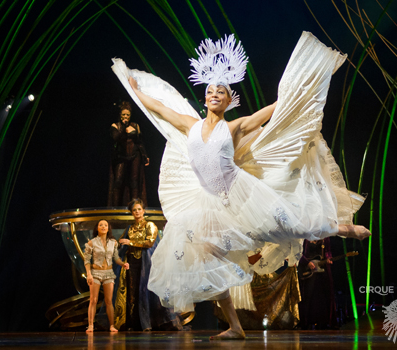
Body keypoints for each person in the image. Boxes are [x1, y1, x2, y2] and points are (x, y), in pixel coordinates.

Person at [111, 32, 371, 339]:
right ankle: (235, 326)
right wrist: (134, 87)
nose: (215, 94)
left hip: (241, 192)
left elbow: (273, 109)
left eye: (221, 92)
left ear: (228, 99)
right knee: (208, 252)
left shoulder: (234, 126)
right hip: (209, 201)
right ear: (205, 96)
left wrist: (295, 93)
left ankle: (342, 228)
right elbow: (158, 109)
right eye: (211, 90)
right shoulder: (189, 124)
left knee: (282, 224)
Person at [113, 199, 181, 331]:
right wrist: (117, 243)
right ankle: (134, 323)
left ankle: (150, 322)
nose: (137, 212)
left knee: (147, 291)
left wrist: (130, 242)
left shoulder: (150, 225)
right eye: (134, 210)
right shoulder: (130, 228)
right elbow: (122, 241)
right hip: (131, 262)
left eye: (139, 209)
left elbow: (149, 242)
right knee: (132, 292)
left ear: (143, 211)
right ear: (131, 212)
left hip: (147, 263)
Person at [84, 219, 129, 333]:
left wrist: (123, 264)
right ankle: (90, 325)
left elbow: (116, 258)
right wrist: (89, 274)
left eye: (105, 225)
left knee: (109, 300)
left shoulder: (113, 242)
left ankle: (112, 325)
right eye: (101, 225)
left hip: (108, 273)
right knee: (93, 300)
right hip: (95, 273)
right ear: (97, 228)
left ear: (108, 228)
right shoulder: (92, 243)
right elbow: (87, 260)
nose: (103, 227)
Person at [108, 101, 149, 207]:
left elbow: (140, 142)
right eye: (123, 114)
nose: (125, 116)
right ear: (120, 115)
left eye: (127, 115)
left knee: (134, 181)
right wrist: (125, 130)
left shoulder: (135, 125)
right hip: (121, 156)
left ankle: (135, 205)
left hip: (135, 155)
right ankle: (115, 207)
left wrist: (145, 156)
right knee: (118, 181)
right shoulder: (115, 125)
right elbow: (116, 138)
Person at [298, 238, 337, 329]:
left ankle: (323, 322)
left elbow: (328, 251)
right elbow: (297, 251)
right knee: (308, 296)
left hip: (321, 269)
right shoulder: (305, 235)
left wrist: (328, 258)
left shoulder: (325, 236)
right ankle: (305, 322)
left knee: (322, 296)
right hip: (307, 271)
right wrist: (306, 263)